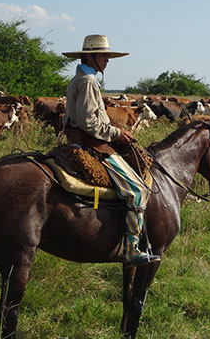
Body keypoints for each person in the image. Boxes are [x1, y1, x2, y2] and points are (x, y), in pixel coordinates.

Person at [62, 34, 160, 267]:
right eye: (103, 55)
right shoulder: (87, 81)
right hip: (91, 144)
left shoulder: (84, 78)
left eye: (107, 56)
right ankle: (131, 249)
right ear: (90, 56)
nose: (107, 60)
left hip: (86, 139)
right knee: (137, 190)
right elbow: (88, 122)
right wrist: (117, 133)